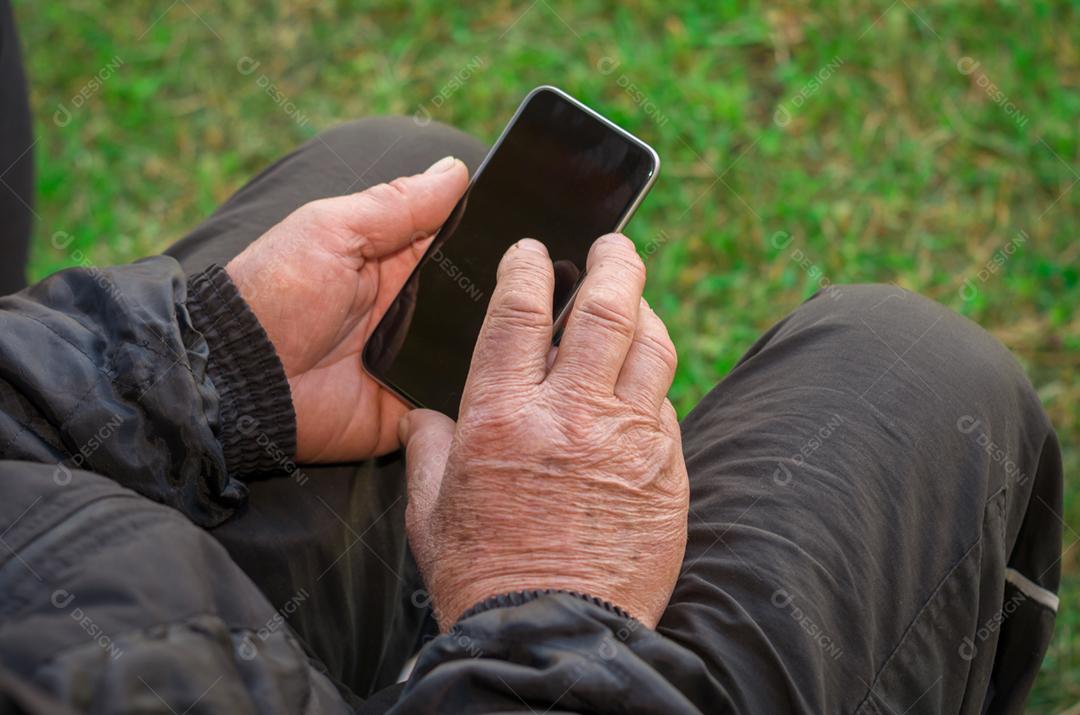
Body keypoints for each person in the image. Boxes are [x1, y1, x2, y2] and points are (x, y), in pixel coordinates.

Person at [0, 6, 1064, 714]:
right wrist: (547, 613)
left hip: (84, 565)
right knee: (914, 366)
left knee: (393, 163)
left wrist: (184, 370)